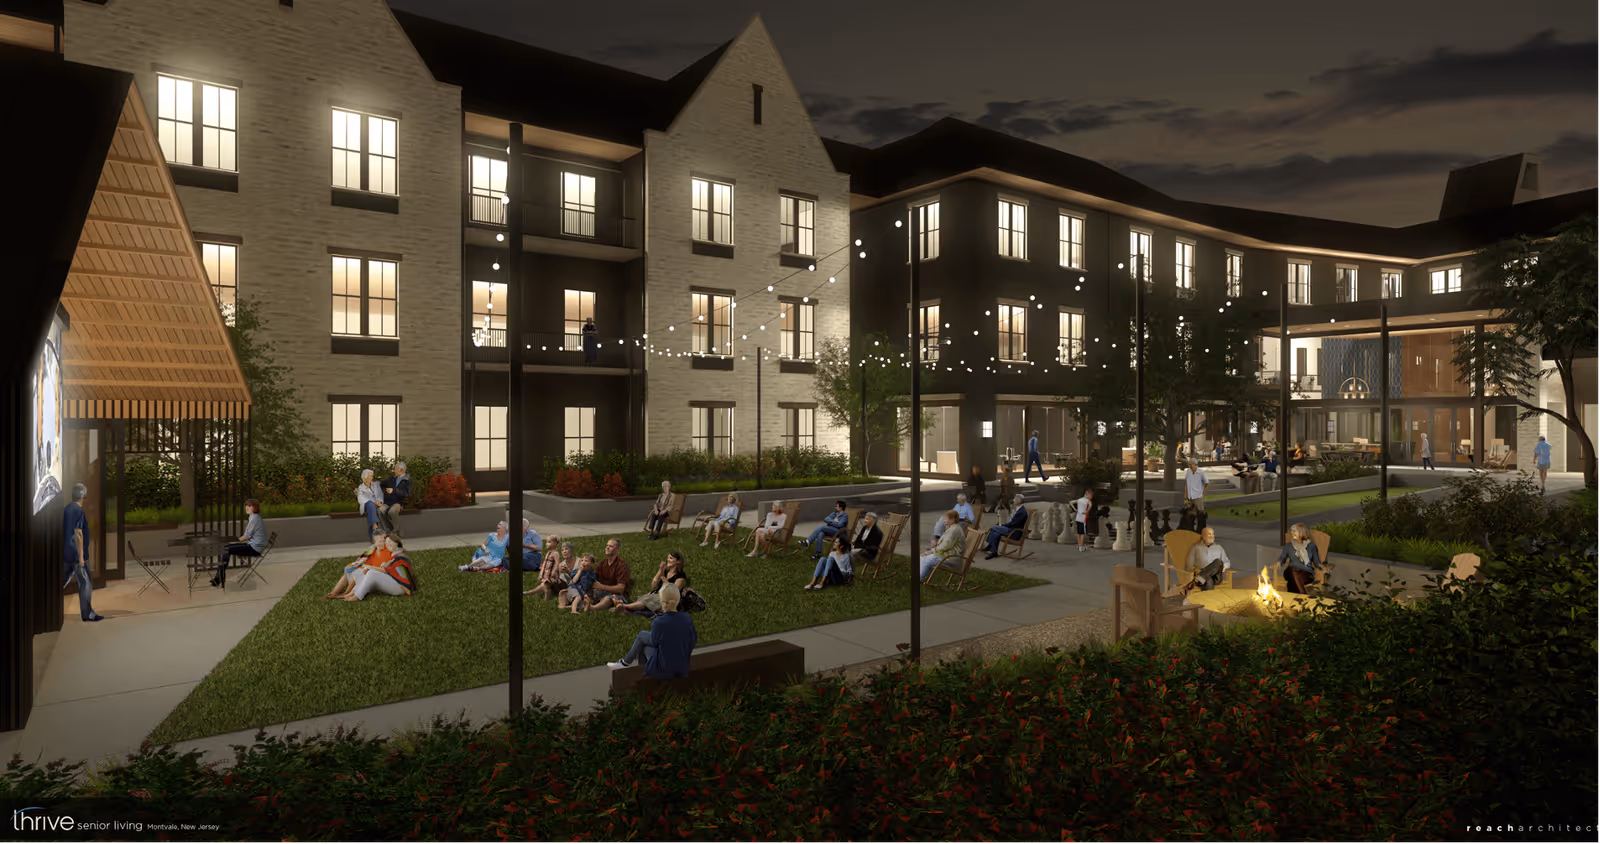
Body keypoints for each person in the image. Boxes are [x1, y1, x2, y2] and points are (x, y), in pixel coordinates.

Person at [607, 583, 698, 677]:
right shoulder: (687, 619)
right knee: (644, 640)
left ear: (662, 601)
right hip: (682, 667)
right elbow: (693, 640)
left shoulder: (659, 621)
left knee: (643, 642)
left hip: (664, 669)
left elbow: (654, 642)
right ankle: (626, 663)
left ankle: (626, 664)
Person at [62, 482, 104, 622]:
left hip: (66, 554)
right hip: (77, 555)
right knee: (85, 584)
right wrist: (81, 558)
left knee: (61, 581)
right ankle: (88, 614)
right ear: (83, 497)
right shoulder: (79, 511)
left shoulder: (66, 509)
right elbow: (78, 534)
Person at [341, 532, 416, 601]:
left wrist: (370, 567)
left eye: (390, 542)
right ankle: (354, 592)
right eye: (386, 542)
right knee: (365, 571)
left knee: (371, 573)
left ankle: (357, 596)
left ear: (396, 542)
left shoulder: (400, 556)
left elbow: (388, 570)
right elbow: (391, 568)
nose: (387, 544)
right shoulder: (396, 554)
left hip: (401, 587)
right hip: (396, 581)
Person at [610, 551, 690, 615]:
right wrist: (660, 571)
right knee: (644, 598)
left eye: (671, 558)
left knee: (648, 600)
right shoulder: (665, 571)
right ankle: (622, 606)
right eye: (668, 558)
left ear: (678, 562)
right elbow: (654, 586)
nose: (668, 560)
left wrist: (663, 579)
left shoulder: (680, 577)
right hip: (657, 594)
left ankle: (624, 606)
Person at [213, 498, 269, 588]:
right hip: (252, 545)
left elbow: (247, 536)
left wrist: (236, 541)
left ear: (255, 507)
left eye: (250, 506)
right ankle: (219, 577)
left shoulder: (255, 518)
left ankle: (219, 578)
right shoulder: (253, 517)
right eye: (246, 505)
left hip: (254, 548)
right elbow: (247, 535)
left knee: (226, 549)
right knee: (226, 548)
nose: (247, 507)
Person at [324, 529, 394, 599]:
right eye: (380, 541)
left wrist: (368, 568)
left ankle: (346, 594)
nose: (382, 543)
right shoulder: (372, 550)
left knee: (359, 573)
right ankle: (333, 593)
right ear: (375, 542)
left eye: (384, 541)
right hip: (368, 569)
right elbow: (361, 561)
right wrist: (357, 566)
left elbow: (387, 568)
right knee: (349, 571)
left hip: (377, 574)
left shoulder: (389, 550)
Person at [585, 537, 633, 611]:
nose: (607, 548)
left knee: (607, 599)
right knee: (587, 593)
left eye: (611, 546)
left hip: (618, 595)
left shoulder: (622, 565)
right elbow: (593, 579)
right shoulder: (601, 563)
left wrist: (602, 586)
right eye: (607, 545)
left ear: (617, 549)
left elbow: (621, 589)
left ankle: (592, 608)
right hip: (601, 592)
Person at [1180, 527, 1231, 595]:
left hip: (1216, 576)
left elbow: (1227, 562)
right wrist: (1193, 570)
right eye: (1209, 534)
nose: (1212, 536)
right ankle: (1207, 601)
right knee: (1208, 580)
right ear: (1202, 536)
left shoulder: (1219, 548)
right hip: (1201, 573)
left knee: (1218, 562)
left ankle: (1198, 579)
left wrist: (1224, 567)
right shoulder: (1196, 548)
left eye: (1212, 534)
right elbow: (1189, 565)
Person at [919, 511, 967, 581]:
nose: (944, 521)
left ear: (952, 520)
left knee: (926, 561)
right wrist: (931, 551)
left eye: (946, 519)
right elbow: (943, 545)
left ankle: (918, 579)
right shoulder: (952, 528)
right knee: (922, 557)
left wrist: (932, 551)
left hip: (950, 558)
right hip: (945, 555)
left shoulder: (954, 530)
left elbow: (945, 546)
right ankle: (920, 577)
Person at [1275, 523, 1322, 594]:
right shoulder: (1289, 546)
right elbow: (1282, 557)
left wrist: (1323, 567)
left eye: (1295, 531)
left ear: (1303, 532)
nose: (1292, 533)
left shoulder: (1311, 547)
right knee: (1294, 570)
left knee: (1294, 579)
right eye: (1292, 531)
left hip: (1306, 573)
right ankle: (1303, 593)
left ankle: (1295, 597)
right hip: (1290, 571)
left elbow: (1317, 562)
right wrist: (1278, 563)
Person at [983, 494, 1030, 559]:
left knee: (993, 528)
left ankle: (990, 547)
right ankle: (993, 552)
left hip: (1014, 532)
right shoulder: (1019, 509)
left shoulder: (1021, 512)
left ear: (1018, 502)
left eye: (1014, 499)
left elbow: (1013, 524)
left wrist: (1003, 525)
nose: (1013, 500)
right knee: (996, 533)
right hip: (1011, 529)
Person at [377, 461, 411, 533]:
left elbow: (406, 493)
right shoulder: (392, 479)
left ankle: (396, 529)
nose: (394, 471)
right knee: (380, 511)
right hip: (388, 501)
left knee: (392, 512)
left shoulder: (407, 481)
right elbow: (382, 484)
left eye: (396, 469)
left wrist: (394, 491)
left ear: (401, 470)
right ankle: (388, 528)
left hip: (398, 502)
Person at [356, 468, 382, 539]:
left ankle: (373, 533)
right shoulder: (361, 488)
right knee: (370, 504)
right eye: (370, 476)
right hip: (367, 505)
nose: (372, 478)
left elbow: (380, 495)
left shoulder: (375, 485)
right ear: (365, 477)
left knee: (383, 509)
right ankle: (375, 527)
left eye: (372, 476)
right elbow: (360, 499)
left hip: (377, 505)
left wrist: (379, 501)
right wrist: (373, 501)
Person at [1073, 487, 1096, 553]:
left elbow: (1071, 502)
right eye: (1090, 495)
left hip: (1078, 517)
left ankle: (1079, 545)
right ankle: (1081, 547)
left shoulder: (1080, 500)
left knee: (1079, 533)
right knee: (1082, 533)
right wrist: (1087, 511)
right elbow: (1090, 506)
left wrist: (1075, 509)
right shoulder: (1088, 501)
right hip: (1083, 518)